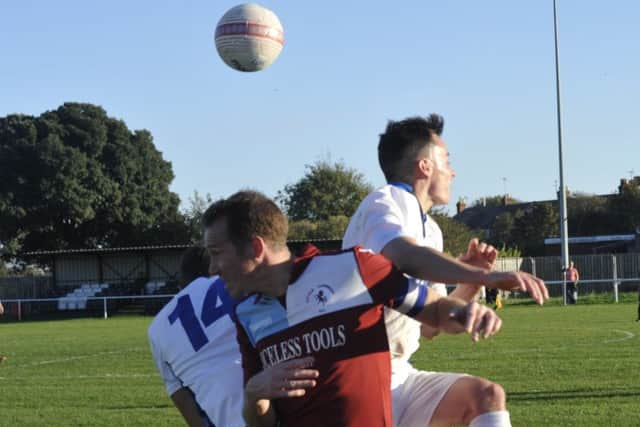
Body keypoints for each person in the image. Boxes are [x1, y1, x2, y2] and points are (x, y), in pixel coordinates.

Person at [202, 190, 537, 427]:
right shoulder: (244, 313)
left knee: (486, 395)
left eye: (217, 253)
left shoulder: (353, 269)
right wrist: (254, 394)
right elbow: (262, 421)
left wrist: (466, 313)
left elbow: (433, 313)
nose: (212, 269)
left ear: (256, 247)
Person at [342, 114, 549, 427]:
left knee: (487, 396)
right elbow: (404, 254)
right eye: (447, 160)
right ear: (425, 166)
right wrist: (482, 276)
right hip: (356, 375)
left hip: (399, 374)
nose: (453, 171)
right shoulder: (385, 202)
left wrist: (471, 285)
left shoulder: (433, 232)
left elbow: (431, 327)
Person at [148, 246, 243, 427]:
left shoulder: (155, 328)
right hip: (274, 405)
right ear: (213, 268)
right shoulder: (232, 284)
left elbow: (182, 398)